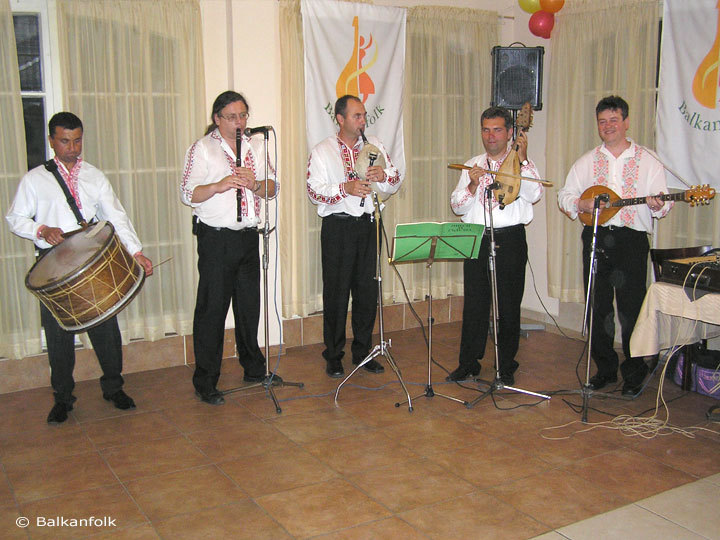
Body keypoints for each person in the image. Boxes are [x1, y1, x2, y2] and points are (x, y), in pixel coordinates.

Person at [6, 112, 153, 424]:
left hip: (92, 264)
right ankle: (62, 398)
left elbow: (116, 215)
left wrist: (135, 251)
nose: (72, 148)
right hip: (53, 267)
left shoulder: (94, 176)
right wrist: (41, 230)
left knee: (106, 329)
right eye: (64, 141)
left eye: (77, 140)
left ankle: (114, 387)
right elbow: (14, 218)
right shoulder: (35, 179)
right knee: (59, 336)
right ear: (51, 141)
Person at [558, 95, 672, 396]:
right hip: (596, 238)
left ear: (626, 122)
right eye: (602, 121)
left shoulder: (649, 161)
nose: (608, 126)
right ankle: (605, 369)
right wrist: (581, 202)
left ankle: (635, 372)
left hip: (631, 241)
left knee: (631, 309)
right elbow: (564, 197)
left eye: (614, 120)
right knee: (598, 307)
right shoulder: (587, 161)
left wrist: (658, 204)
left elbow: (662, 208)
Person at [180, 91, 277, 405]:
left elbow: (273, 187)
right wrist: (220, 184)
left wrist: (255, 184)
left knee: (249, 307)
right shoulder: (203, 149)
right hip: (216, 239)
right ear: (216, 118)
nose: (240, 122)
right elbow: (187, 193)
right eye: (232, 116)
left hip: (248, 236)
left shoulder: (256, 145)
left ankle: (253, 368)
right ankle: (206, 381)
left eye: (243, 115)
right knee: (212, 310)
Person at [307, 94, 403, 378]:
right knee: (336, 293)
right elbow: (314, 190)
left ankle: (363, 351)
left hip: (368, 224)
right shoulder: (323, 151)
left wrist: (383, 174)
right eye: (356, 116)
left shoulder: (374, 146)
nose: (363, 121)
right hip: (338, 227)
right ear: (340, 119)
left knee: (367, 292)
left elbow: (396, 178)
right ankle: (333, 355)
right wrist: (344, 189)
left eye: (363, 115)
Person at [448, 106, 543, 386]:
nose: (491, 136)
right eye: (486, 130)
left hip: (510, 238)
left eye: (497, 129)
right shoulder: (472, 164)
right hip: (477, 237)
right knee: (475, 305)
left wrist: (523, 161)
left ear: (510, 132)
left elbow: (535, 194)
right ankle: (469, 363)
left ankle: (505, 365)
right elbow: (456, 205)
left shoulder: (524, 164)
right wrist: (472, 186)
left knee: (508, 305)